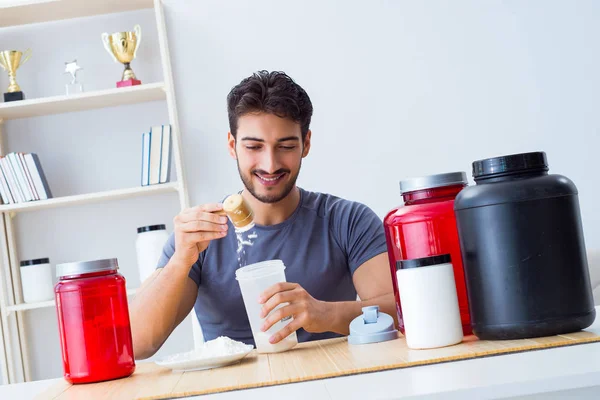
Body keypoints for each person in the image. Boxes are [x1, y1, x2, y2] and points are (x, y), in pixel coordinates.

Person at [130, 70, 396, 359]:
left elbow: (402, 310)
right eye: (254, 146)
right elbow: (137, 344)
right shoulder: (198, 238)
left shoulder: (347, 221)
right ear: (232, 146)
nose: (270, 164)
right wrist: (179, 262)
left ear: (306, 144)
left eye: (286, 146)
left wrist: (325, 313)